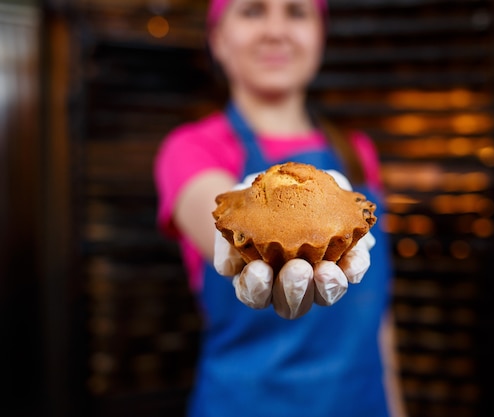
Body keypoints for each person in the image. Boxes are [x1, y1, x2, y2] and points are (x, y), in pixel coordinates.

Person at [154, 0, 405, 416]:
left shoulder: (358, 154)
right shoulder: (191, 149)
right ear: (218, 39)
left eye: (296, 12)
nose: (275, 30)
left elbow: (377, 315)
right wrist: (241, 234)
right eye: (252, 11)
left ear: (320, 36)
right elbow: (210, 212)